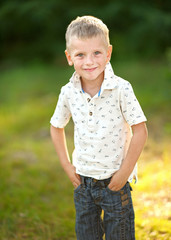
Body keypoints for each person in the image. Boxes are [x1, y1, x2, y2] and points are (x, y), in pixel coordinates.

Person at [50, 15, 148, 240]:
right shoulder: (68, 92)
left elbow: (141, 131)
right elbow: (56, 126)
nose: (89, 61)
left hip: (115, 183)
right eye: (80, 55)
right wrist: (67, 165)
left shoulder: (122, 89)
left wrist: (124, 172)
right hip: (83, 184)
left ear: (108, 53)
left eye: (97, 53)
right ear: (69, 57)